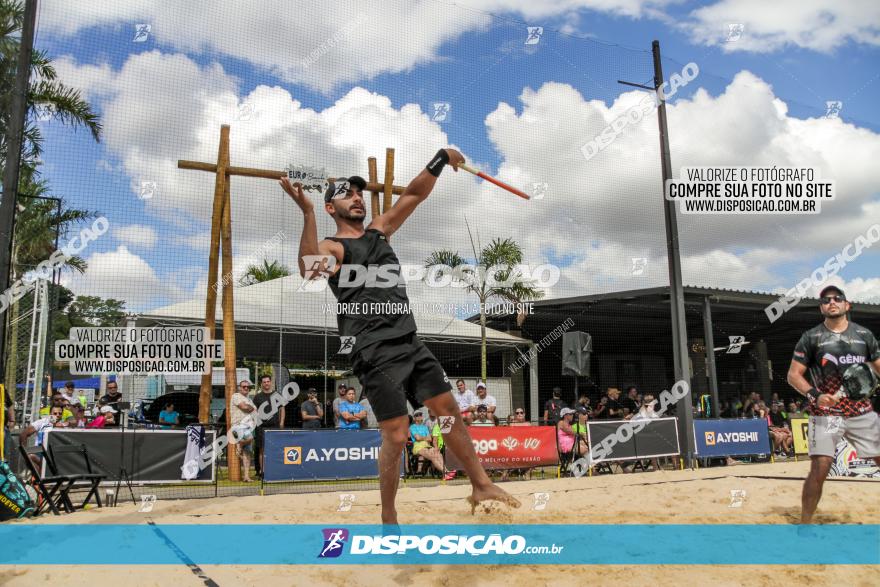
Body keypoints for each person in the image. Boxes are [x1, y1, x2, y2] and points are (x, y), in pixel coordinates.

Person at [283, 147, 519, 523]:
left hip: (409, 340)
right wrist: (308, 212)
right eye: (347, 193)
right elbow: (309, 269)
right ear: (331, 208)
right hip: (372, 349)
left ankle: (480, 484)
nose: (357, 197)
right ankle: (389, 514)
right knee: (396, 434)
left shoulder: (380, 232)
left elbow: (413, 194)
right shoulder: (334, 247)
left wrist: (441, 158)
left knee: (449, 411)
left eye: (359, 192)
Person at [786, 285, 880, 524]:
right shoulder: (811, 337)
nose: (832, 302)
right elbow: (794, 375)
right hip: (827, 415)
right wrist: (814, 395)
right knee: (821, 466)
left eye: (837, 298)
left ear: (847, 305)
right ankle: (805, 523)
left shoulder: (864, 335)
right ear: (821, 308)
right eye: (826, 300)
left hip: (861, 413)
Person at [252, 374, 285, 479]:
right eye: (264, 382)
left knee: (274, 449)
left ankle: (274, 470)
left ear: (271, 382)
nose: (266, 383)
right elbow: (254, 412)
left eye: (268, 381)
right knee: (262, 450)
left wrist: (281, 423)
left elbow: (282, 409)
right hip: (261, 428)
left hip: (274, 427)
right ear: (262, 384)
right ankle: (263, 472)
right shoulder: (257, 397)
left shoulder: (277, 395)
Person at [229, 379, 257, 483]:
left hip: (248, 427)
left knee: (248, 453)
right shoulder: (236, 396)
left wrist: (251, 408)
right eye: (244, 386)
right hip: (238, 426)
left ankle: (246, 476)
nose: (246, 388)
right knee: (250, 438)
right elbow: (245, 407)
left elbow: (255, 410)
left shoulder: (249, 399)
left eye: (247, 387)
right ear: (239, 387)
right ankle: (240, 444)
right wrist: (251, 408)